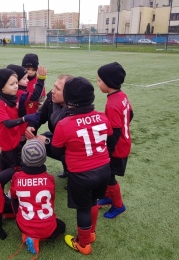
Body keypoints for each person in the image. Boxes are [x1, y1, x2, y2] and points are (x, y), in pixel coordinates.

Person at [51, 77, 113, 255]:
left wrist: (71, 155)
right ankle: (91, 233)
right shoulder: (102, 117)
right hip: (104, 170)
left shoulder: (64, 124)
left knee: (83, 208)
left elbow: (55, 152)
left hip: (81, 174)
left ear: (68, 99)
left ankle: (84, 244)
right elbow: (110, 140)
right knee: (93, 202)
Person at [10, 139, 65, 257]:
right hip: (48, 228)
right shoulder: (49, 179)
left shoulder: (16, 177)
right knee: (62, 226)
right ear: (44, 159)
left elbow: (13, 196)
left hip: (23, 225)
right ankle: (38, 237)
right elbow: (52, 199)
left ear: (23, 159)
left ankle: (28, 234)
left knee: (13, 199)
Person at [97, 62, 133, 219]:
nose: (97, 83)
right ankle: (108, 197)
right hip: (124, 142)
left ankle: (118, 205)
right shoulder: (121, 95)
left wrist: (107, 150)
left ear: (108, 82)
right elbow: (131, 114)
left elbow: (115, 133)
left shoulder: (112, 104)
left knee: (110, 176)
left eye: (99, 80)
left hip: (118, 148)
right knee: (107, 174)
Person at [25, 74, 74, 179]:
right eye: (54, 86)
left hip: (74, 147)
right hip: (59, 139)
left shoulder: (76, 109)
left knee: (66, 152)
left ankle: (73, 173)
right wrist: (31, 127)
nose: (53, 91)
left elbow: (73, 143)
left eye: (58, 89)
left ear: (68, 93)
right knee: (37, 142)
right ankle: (34, 171)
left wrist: (47, 141)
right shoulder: (51, 100)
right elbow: (40, 116)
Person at [0, 68, 41, 171]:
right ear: (2, 87)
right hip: (5, 142)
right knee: (7, 166)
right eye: (11, 84)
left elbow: (19, 114)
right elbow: (8, 123)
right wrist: (25, 118)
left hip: (16, 137)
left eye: (16, 83)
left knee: (17, 163)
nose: (16, 86)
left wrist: (22, 106)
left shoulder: (13, 97)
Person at [6, 64, 47, 147]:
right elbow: (35, 96)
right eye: (24, 78)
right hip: (19, 129)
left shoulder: (8, 92)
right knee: (16, 149)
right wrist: (41, 79)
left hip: (16, 128)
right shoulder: (20, 92)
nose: (27, 80)